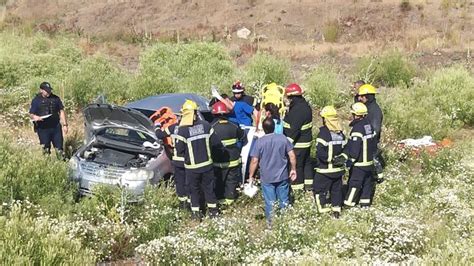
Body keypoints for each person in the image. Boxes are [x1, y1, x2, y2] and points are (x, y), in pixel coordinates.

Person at [175, 100, 223, 220]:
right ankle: (213, 212)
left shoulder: (183, 131)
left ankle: (196, 214)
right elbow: (217, 143)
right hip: (207, 166)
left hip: (192, 169)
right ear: (196, 112)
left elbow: (179, 150)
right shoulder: (206, 126)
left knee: (194, 191)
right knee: (209, 189)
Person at [249, 117, 297, 224]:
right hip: (282, 176)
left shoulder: (259, 142)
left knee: (270, 202)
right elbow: (292, 156)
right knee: (284, 200)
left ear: (263, 128)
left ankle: (271, 224)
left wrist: (251, 176)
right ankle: (284, 222)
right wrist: (293, 169)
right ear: (274, 127)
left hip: (267, 177)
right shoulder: (283, 138)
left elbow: (254, 161)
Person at [333, 103, 377, 208]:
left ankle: (349, 203)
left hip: (360, 164)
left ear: (357, 115)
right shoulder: (369, 125)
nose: (351, 115)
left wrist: (348, 161)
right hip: (369, 163)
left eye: (352, 113)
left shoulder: (357, 129)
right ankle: (365, 203)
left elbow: (354, 149)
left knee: (355, 183)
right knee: (367, 183)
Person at [313, 106, 346, 219]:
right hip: (338, 170)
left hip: (325, 170)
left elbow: (320, 153)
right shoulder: (341, 134)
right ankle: (336, 210)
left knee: (318, 189)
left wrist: (330, 160)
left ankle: (322, 210)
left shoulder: (323, 134)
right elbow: (345, 149)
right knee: (336, 190)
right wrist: (341, 159)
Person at [210, 101, 246, 206]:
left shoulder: (211, 127)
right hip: (233, 161)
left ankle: (220, 202)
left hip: (217, 162)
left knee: (219, 182)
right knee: (231, 182)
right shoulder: (234, 125)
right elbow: (243, 137)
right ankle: (230, 203)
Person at [155, 112, 190, 211]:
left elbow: (159, 134)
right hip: (190, 161)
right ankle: (191, 203)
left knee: (180, 183)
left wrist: (157, 125)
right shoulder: (191, 128)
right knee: (190, 183)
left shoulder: (173, 127)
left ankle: (182, 205)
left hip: (177, 161)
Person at [283, 83, 313, 192]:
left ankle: (297, 189)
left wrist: (286, 144)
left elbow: (294, 130)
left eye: (289, 97)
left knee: (297, 165)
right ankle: (309, 186)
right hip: (306, 141)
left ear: (292, 96)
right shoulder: (304, 106)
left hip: (298, 143)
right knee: (307, 163)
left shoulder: (298, 110)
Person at [29, 81, 68, 158]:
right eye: (46, 90)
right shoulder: (36, 100)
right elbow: (31, 114)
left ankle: (61, 164)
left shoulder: (56, 99)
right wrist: (35, 117)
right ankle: (48, 165)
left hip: (55, 127)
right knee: (46, 149)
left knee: (59, 149)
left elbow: (61, 111)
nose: (48, 92)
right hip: (43, 128)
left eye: (49, 90)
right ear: (41, 90)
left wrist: (65, 125)